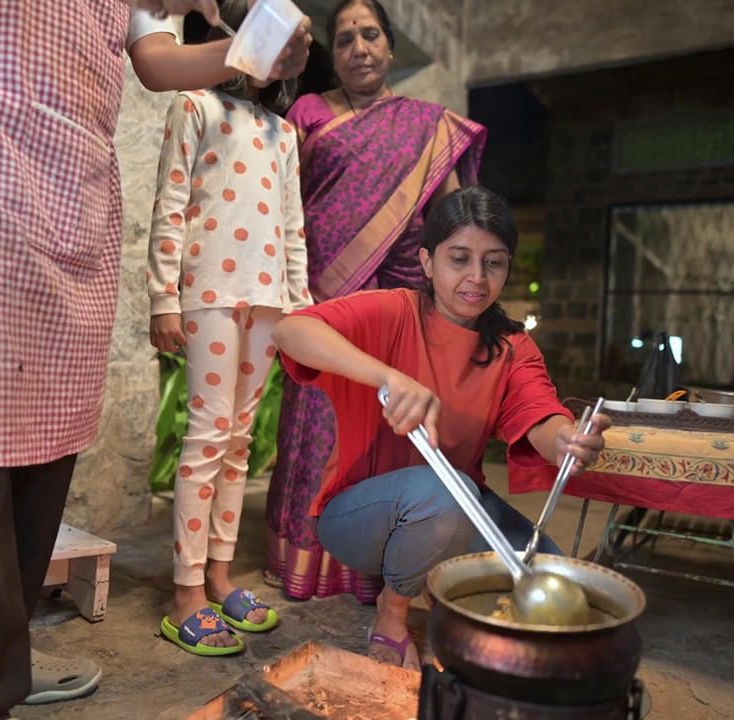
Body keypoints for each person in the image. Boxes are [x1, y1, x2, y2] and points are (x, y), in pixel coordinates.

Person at [0, 1, 311, 717]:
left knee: (45, 450)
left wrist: (250, 51)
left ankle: (1, 662)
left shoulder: (266, 123)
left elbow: (158, 61)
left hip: (70, 198)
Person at [269, 187, 611, 670]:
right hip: (356, 517)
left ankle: (433, 586)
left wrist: (566, 440)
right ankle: (392, 612)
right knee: (445, 491)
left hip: (457, 509)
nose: (477, 278)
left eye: (494, 262)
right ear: (427, 261)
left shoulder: (512, 346)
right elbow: (289, 331)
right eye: (459, 258)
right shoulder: (395, 310)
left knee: (550, 583)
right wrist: (386, 376)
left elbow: (542, 416)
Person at [264, 0, 488, 603]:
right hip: (323, 299)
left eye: (369, 35)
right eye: (343, 40)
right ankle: (307, 558)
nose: (358, 47)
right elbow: (286, 200)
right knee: (316, 426)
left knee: (383, 432)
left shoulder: (429, 125)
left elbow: (451, 216)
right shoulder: (310, 113)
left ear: (390, 47)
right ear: (331, 56)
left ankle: (381, 562)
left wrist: (463, 284)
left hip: (396, 305)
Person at [145, 0, 311, 657]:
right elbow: (171, 204)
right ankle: (185, 589)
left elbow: (293, 226)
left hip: (269, 299)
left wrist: (297, 303)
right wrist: (163, 297)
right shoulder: (193, 105)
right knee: (209, 435)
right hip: (209, 292)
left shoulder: (285, 133)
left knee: (241, 441)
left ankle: (219, 576)